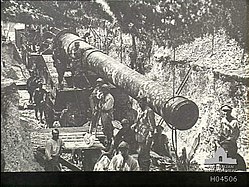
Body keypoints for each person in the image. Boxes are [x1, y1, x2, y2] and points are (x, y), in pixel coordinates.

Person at [100, 84, 115, 148]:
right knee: (103, 128)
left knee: (108, 128)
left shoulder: (110, 97)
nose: (103, 91)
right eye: (102, 89)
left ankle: (110, 143)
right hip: (103, 114)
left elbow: (106, 107)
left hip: (107, 114)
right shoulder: (103, 96)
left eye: (104, 89)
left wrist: (101, 105)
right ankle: (105, 142)